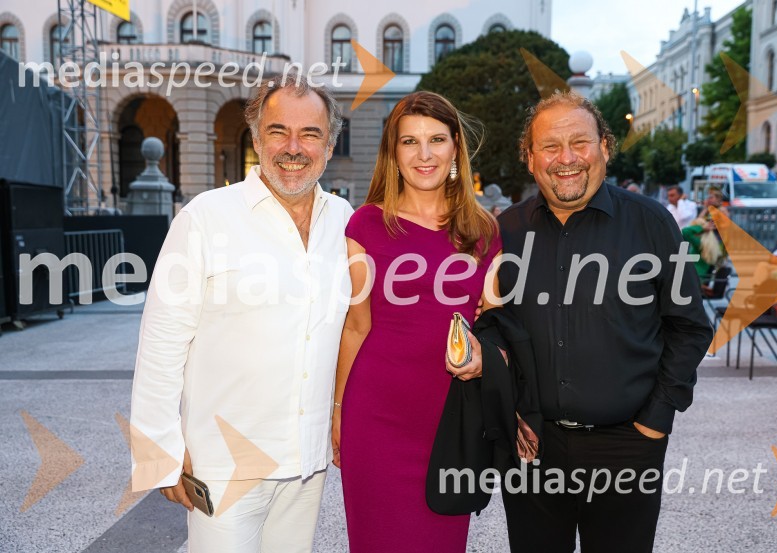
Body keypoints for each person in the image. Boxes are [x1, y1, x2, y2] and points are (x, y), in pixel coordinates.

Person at [130, 74, 352, 553]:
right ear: (256, 139)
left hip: (307, 462)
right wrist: (159, 452)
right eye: (278, 131)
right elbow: (162, 340)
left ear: (330, 146)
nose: (293, 148)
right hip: (225, 462)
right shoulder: (204, 217)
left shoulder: (345, 222)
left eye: (310, 134)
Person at [495, 90, 712, 552]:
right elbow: (491, 326)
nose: (566, 158)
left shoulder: (652, 223)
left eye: (580, 142)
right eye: (550, 146)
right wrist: (505, 409)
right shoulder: (504, 232)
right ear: (529, 158)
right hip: (531, 448)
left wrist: (656, 419)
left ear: (605, 148)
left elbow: (690, 326)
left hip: (628, 445)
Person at [332, 91, 502, 552]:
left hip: (454, 418)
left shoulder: (483, 231)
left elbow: (495, 327)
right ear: (393, 152)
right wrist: (339, 409)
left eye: (436, 140)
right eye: (410, 141)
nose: (424, 154)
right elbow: (356, 326)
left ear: (455, 148)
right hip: (376, 417)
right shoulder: (366, 225)